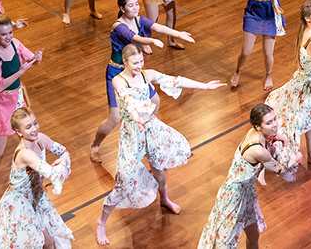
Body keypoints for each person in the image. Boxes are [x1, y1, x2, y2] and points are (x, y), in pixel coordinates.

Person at [95, 45, 226, 245]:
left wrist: (205, 86)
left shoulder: (148, 75)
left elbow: (175, 80)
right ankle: (101, 222)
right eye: (135, 62)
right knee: (124, 180)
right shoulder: (118, 80)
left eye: (141, 61)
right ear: (125, 61)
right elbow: (127, 100)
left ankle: (164, 199)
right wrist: (136, 117)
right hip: (132, 134)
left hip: (151, 129)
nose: (139, 66)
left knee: (159, 169)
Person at [89, 0, 196, 164]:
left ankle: (147, 133)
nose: (135, 7)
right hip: (117, 73)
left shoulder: (139, 20)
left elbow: (158, 27)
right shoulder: (118, 26)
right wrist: (151, 42)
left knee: (155, 100)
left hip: (136, 72)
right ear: (122, 9)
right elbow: (135, 38)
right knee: (115, 117)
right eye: (130, 5)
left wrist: (177, 34)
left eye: (136, 4)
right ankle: (95, 145)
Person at [196, 104, 300, 249]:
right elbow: (280, 170)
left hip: (247, 192)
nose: (275, 125)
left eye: (274, 119)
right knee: (225, 244)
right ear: (258, 126)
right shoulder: (257, 149)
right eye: (268, 122)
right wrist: (295, 156)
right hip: (234, 195)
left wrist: (276, 138)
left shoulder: (255, 134)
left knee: (253, 235)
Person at [0, 107, 73, 249]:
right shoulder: (25, 154)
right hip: (20, 204)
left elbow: (64, 151)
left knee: (50, 241)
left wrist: (64, 159)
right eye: (28, 127)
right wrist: (63, 163)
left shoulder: (41, 139)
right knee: (35, 243)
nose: (34, 129)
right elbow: (54, 175)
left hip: (37, 197)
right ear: (18, 132)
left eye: (35, 123)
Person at [0, 14, 45, 204]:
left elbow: (31, 60)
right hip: (0, 102)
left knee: (27, 139)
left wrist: (37, 59)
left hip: (17, 98)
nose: (8, 37)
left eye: (10, 32)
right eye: (3, 34)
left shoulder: (16, 43)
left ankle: (31, 178)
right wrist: (21, 71)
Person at [265, 0, 311, 170]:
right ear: (308, 19)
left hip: (301, 82)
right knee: (295, 122)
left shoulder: (309, 32)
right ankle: (278, 155)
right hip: (308, 88)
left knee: (310, 121)